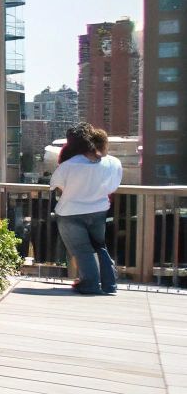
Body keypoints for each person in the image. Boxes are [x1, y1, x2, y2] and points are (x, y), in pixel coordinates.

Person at [51, 123, 121, 296]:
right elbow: (113, 187)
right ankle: (109, 284)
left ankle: (89, 284)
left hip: (70, 212)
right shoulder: (113, 163)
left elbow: (56, 185)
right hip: (99, 210)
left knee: (82, 249)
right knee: (99, 246)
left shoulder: (68, 165)